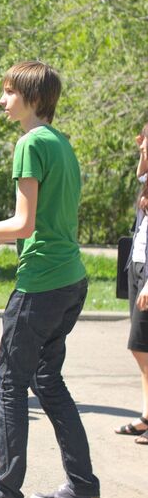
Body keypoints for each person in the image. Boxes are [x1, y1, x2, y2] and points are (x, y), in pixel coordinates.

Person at [0, 61, 100, 498]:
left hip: (40, 285)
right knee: (48, 381)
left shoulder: (29, 142)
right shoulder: (61, 142)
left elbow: (24, 222)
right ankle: (82, 486)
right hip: (70, 281)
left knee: (11, 383)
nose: (2, 99)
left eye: (9, 92)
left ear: (32, 98)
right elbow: (39, 222)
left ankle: (5, 489)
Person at [114, 121, 148, 445]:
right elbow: (141, 175)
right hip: (136, 267)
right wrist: (142, 151)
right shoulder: (146, 182)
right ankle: (147, 416)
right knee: (142, 347)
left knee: (141, 346)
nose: (143, 145)